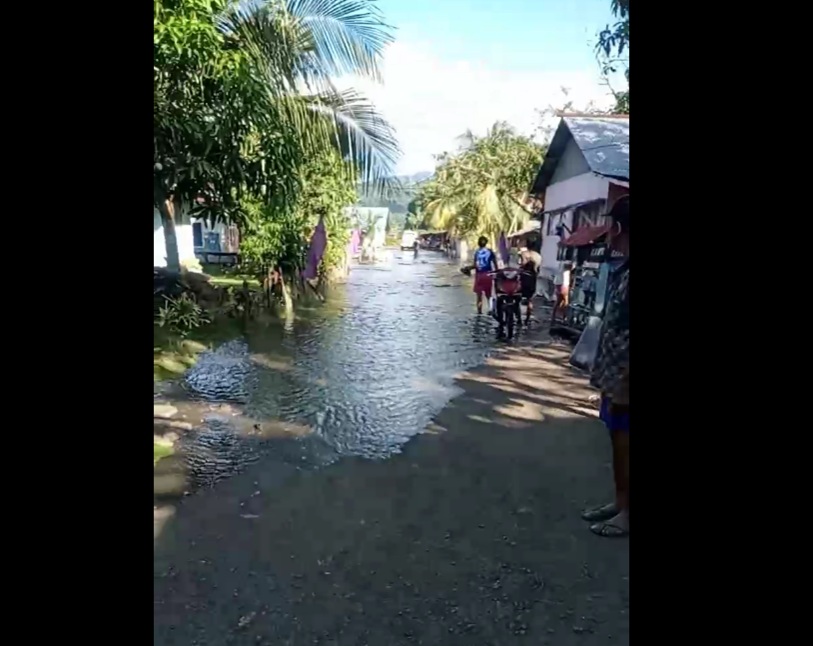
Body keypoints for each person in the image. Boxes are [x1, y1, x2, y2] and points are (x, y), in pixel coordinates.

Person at [581, 196, 630, 538]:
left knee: (626, 440)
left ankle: (627, 513)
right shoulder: (624, 266)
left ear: (617, 228)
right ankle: (620, 501)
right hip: (616, 375)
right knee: (617, 437)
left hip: (627, 376)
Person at [472, 236, 497, 314]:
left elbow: (475, 265)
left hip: (479, 275)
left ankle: (479, 312)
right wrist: (496, 272)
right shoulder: (490, 252)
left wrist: (469, 268)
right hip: (488, 275)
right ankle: (490, 309)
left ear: (478, 243)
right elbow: (495, 264)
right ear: (486, 243)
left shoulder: (477, 252)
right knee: (489, 294)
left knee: (479, 296)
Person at [518, 247, 541, 325]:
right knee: (529, 301)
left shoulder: (524, 255)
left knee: (517, 300)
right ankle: (527, 319)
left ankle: (519, 318)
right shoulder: (536, 257)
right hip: (532, 283)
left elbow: (521, 266)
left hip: (523, 283)